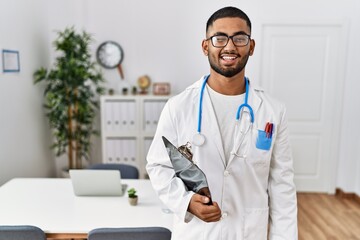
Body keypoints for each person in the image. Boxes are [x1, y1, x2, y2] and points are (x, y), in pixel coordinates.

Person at [146, 6, 297, 240]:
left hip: (248, 233)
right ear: (206, 46)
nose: (229, 47)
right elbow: (158, 166)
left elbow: (282, 186)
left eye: (239, 38)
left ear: (251, 46)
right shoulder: (178, 106)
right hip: (197, 233)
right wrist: (187, 203)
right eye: (219, 38)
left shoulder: (273, 111)